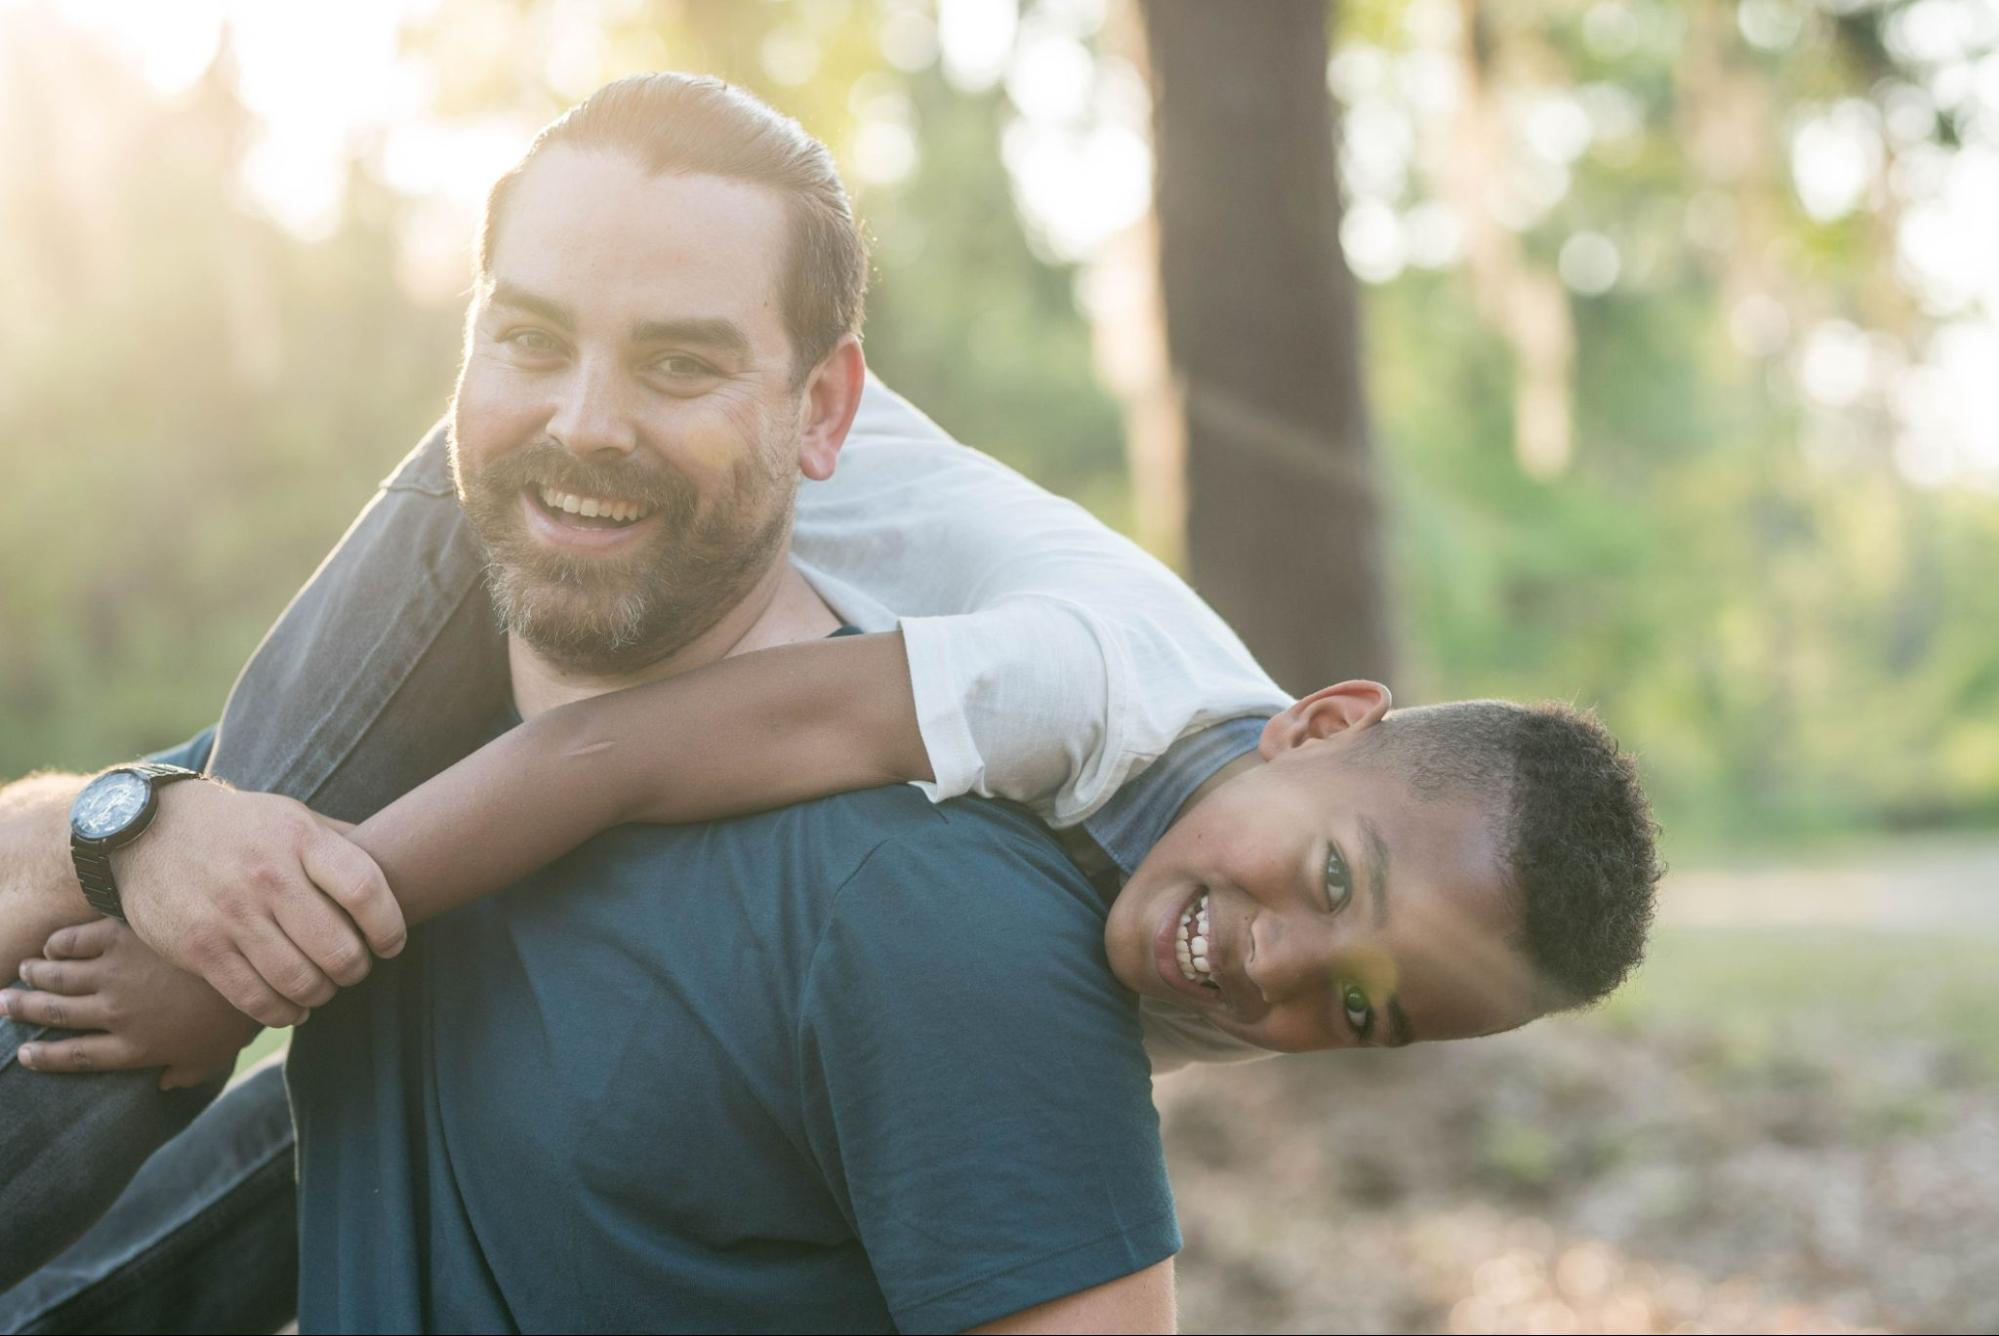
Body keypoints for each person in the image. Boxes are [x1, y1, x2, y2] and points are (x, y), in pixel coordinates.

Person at [0, 73, 1660, 1332]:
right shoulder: (1087, 682)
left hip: (677, 517)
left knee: (299, 981)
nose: (1282, 970)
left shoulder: (1167, 949)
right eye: (1335, 881)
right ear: (1318, 721)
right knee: (183, 901)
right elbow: (616, 752)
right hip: (507, 514)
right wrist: (233, 956)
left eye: (1365, 1007)